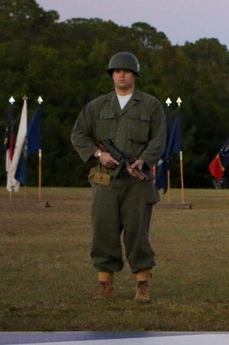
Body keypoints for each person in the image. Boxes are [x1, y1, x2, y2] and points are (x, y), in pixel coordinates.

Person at [71, 52, 165, 301]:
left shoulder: (150, 105)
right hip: (105, 180)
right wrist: (98, 153)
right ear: (111, 75)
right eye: (116, 71)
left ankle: (142, 283)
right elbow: (78, 134)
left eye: (126, 71)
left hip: (137, 181)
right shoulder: (97, 106)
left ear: (135, 75)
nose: (121, 75)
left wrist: (143, 160)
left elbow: (158, 138)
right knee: (103, 231)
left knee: (137, 233)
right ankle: (105, 284)